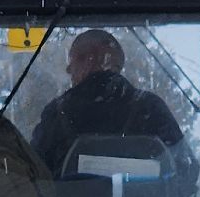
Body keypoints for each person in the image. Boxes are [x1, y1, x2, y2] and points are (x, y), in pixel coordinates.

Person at [29, 30, 191, 184]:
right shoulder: (151, 108)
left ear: (90, 59)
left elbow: (33, 175)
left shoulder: (57, 113)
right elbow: (187, 170)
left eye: (73, 62)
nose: (69, 70)